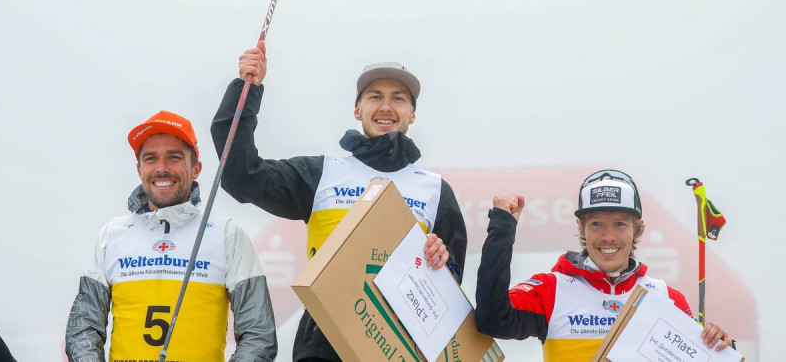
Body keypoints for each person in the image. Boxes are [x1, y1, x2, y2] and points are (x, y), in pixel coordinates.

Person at [211, 41, 467, 362]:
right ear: (357, 110)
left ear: (412, 114)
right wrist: (246, 90)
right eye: (375, 96)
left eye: (398, 99)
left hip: (397, 345)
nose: (386, 106)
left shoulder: (435, 190)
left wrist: (442, 263)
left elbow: (450, 292)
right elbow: (240, 176)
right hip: (323, 343)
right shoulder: (321, 174)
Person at [65, 111, 277, 362]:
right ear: (139, 169)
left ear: (196, 168)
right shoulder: (111, 236)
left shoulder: (226, 234)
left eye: (174, 158)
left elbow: (258, 334)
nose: (162, 168)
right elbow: (83, 328)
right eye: (151, 159)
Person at [475, 169, 734, 360]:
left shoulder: (666, 297)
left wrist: (722, 345)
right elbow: (492, 320)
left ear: (638, 228)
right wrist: (502, 228)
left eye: (620, 224)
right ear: (581, 228)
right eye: (596, 223)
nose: (608, 236)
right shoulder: (551, 288)